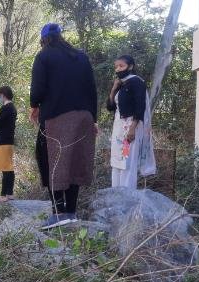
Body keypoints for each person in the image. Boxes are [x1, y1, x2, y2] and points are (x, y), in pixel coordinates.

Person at [30, 23, 98, 230]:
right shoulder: (81, 57)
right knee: (74, 162)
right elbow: (92, 90)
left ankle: (58, 213)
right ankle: (71, 212)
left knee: (50, 161)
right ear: (61, 36)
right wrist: (93, 119)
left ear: (44, 39)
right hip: (84, 118)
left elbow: (38, 91)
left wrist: (34, 106)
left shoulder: (44, 56)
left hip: (56, 118)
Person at [106, 55, 156, 188]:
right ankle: (116, 193)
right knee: (117, 161)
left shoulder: (136, 82)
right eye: (116, 66)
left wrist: (132, 129)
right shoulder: (121, 84)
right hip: (118, 127)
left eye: (121, 66)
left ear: (131, 66)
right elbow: (110, 107)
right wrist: (113, 89)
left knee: (127, 160)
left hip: (131, 126)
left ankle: (127, 196)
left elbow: (140, 107)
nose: (118, 69)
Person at [0, 86, 18, 202]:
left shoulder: (6, 108)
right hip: (8, 141)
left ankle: (3, 195)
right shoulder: (11, 108)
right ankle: (9, 193)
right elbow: (3, 120)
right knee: (8, 167)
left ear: (3, 95)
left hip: (3, 141)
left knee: (5, 168)